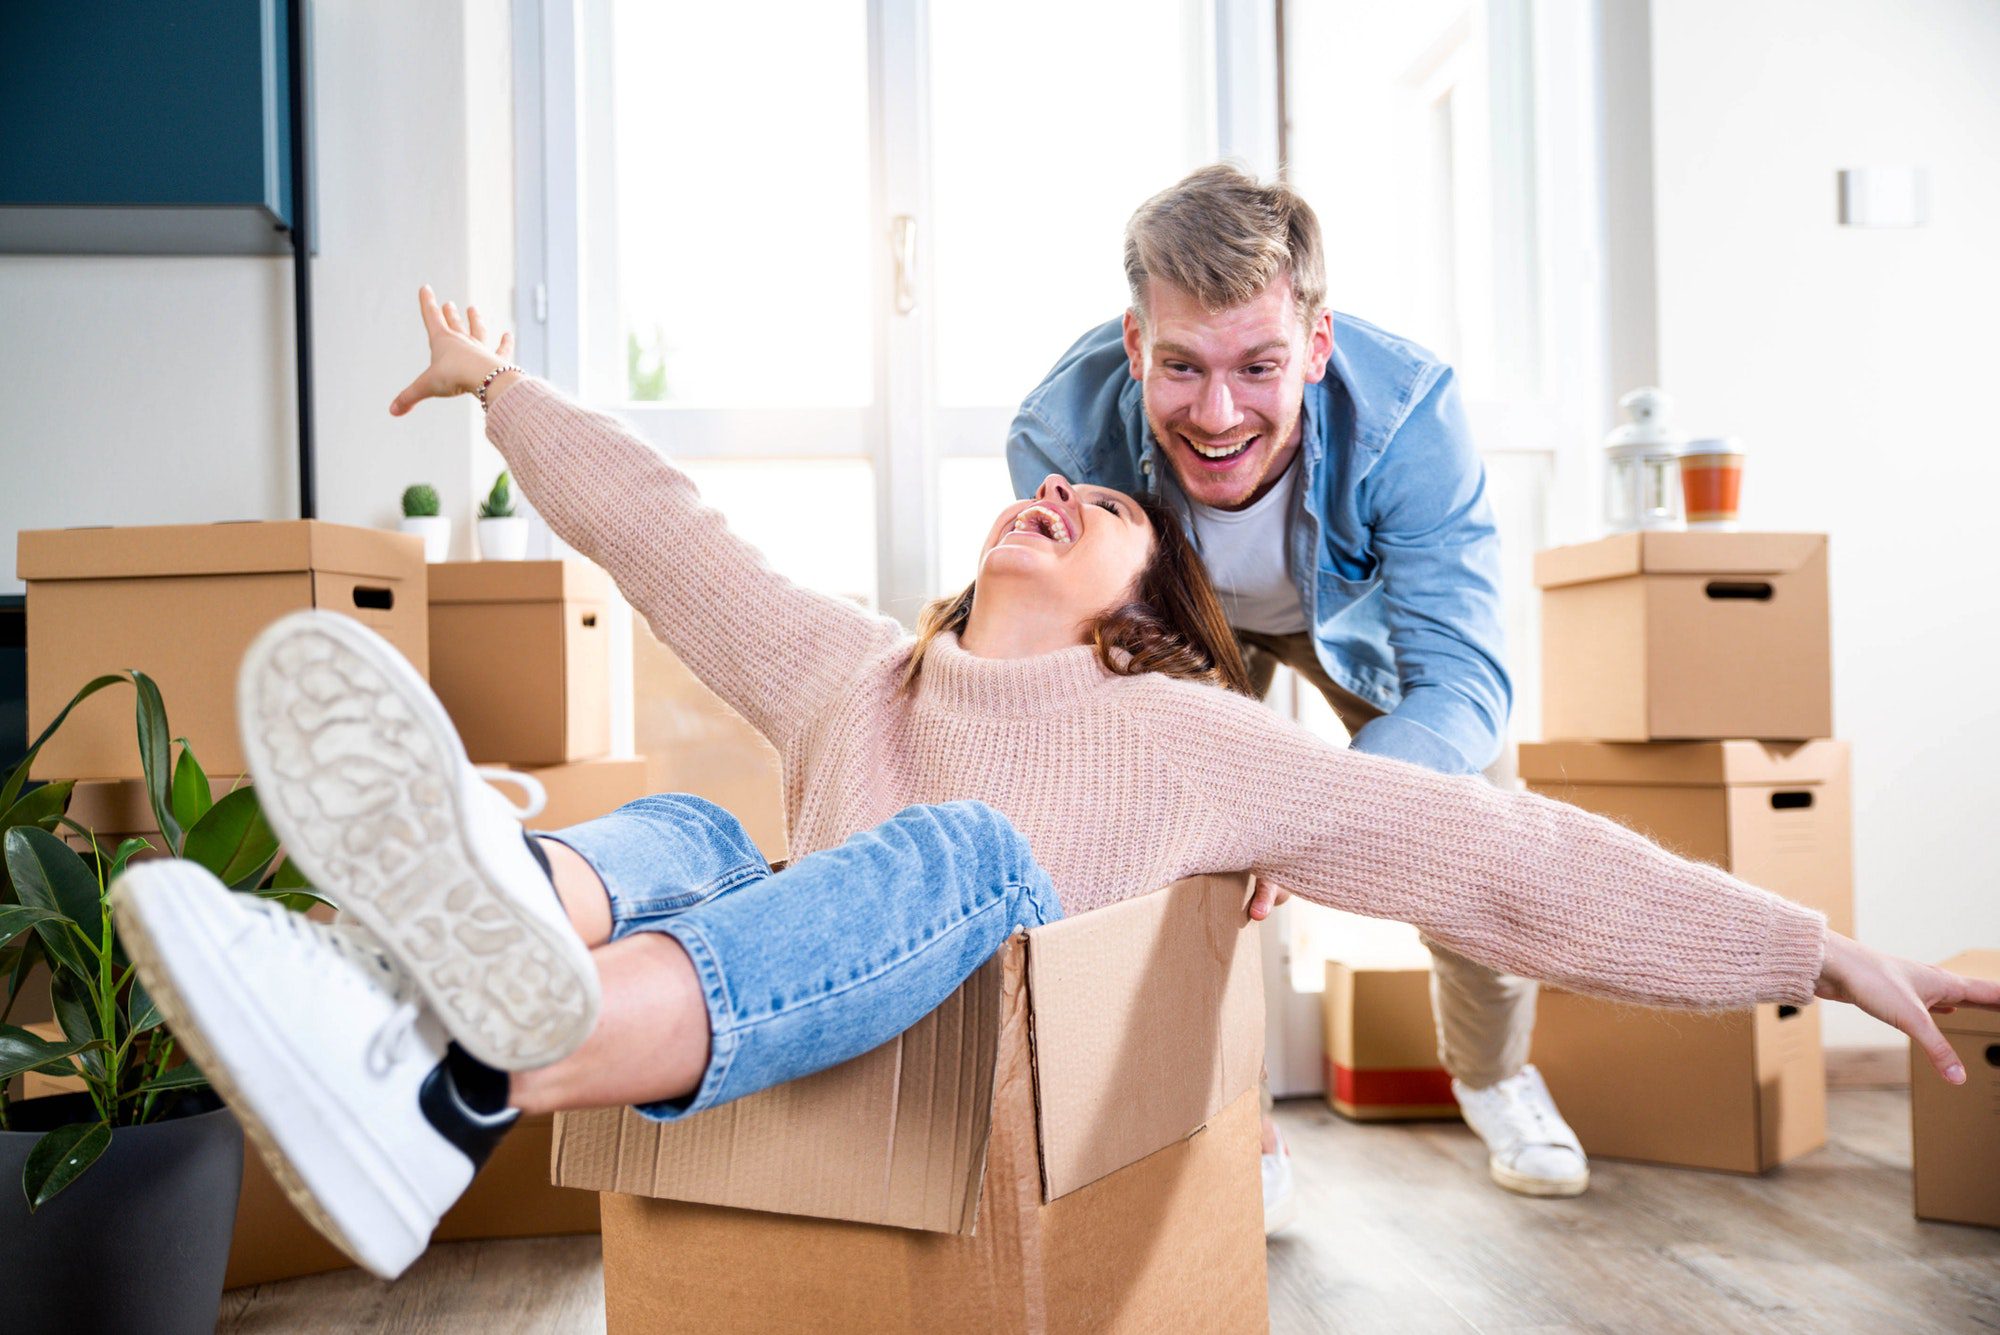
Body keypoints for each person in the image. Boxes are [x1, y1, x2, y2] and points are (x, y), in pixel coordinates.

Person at [116, 287, 1999, 1285]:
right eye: (1070, 481)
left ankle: (464, 1061)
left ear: (1145, 620)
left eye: (1107, 515)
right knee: (701, 833)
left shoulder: (1189, 740)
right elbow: (666, 531)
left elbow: (1492, 852)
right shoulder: (852, 668)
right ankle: (436, 1012)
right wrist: (500, 392)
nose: (1070, 494)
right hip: (762, 1037)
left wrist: (1818, 951)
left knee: (951, 854)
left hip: (957, 1065)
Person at [1007, 163, 1562, 1203]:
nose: (1216, 415)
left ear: (1315, 346)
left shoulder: (1408, 417)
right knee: (1165, 839)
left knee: (1466, 814)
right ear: (1133, 345)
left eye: (1258, 367)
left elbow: (1466, 681)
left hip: (1353, 627)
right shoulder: (1061, 435)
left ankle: (1494, 1075)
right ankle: (1225, 1113)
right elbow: (1083, 686)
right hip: (1175, 632)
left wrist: (1317, 811)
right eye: (1178, 367)